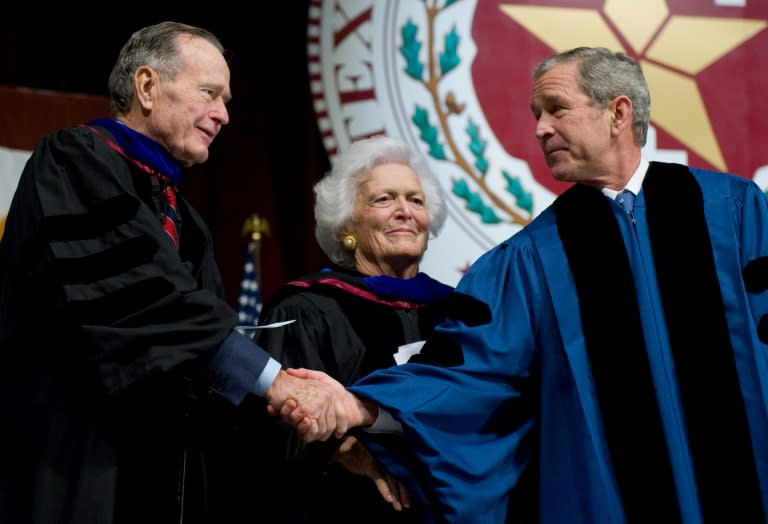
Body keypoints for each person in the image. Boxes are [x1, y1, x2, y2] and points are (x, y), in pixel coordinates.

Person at [280, 46, 768, 523]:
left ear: (618, 114)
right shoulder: (530, 259)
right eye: (537, 113)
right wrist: (363, 404)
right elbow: (468, 372)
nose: (540, 129)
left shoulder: (734, 210)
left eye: (556, 109)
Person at [0, 21, 345, 524]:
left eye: (226, 100)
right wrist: (276, 382)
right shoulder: (75, 159)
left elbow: (199, 355)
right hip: (70, 455)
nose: (224, 115)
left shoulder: (187, 220)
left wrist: (336, 445)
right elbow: (146, 296)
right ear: (146, 86)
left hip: (158, 471)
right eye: (210, 93)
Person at [253, 135, 487, 523]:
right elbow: (272, 433)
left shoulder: (459, 313)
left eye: (416, 200)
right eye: (384, 199)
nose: (404, 211)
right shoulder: (306, 308)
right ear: (347, 222)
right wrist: (344, 451)